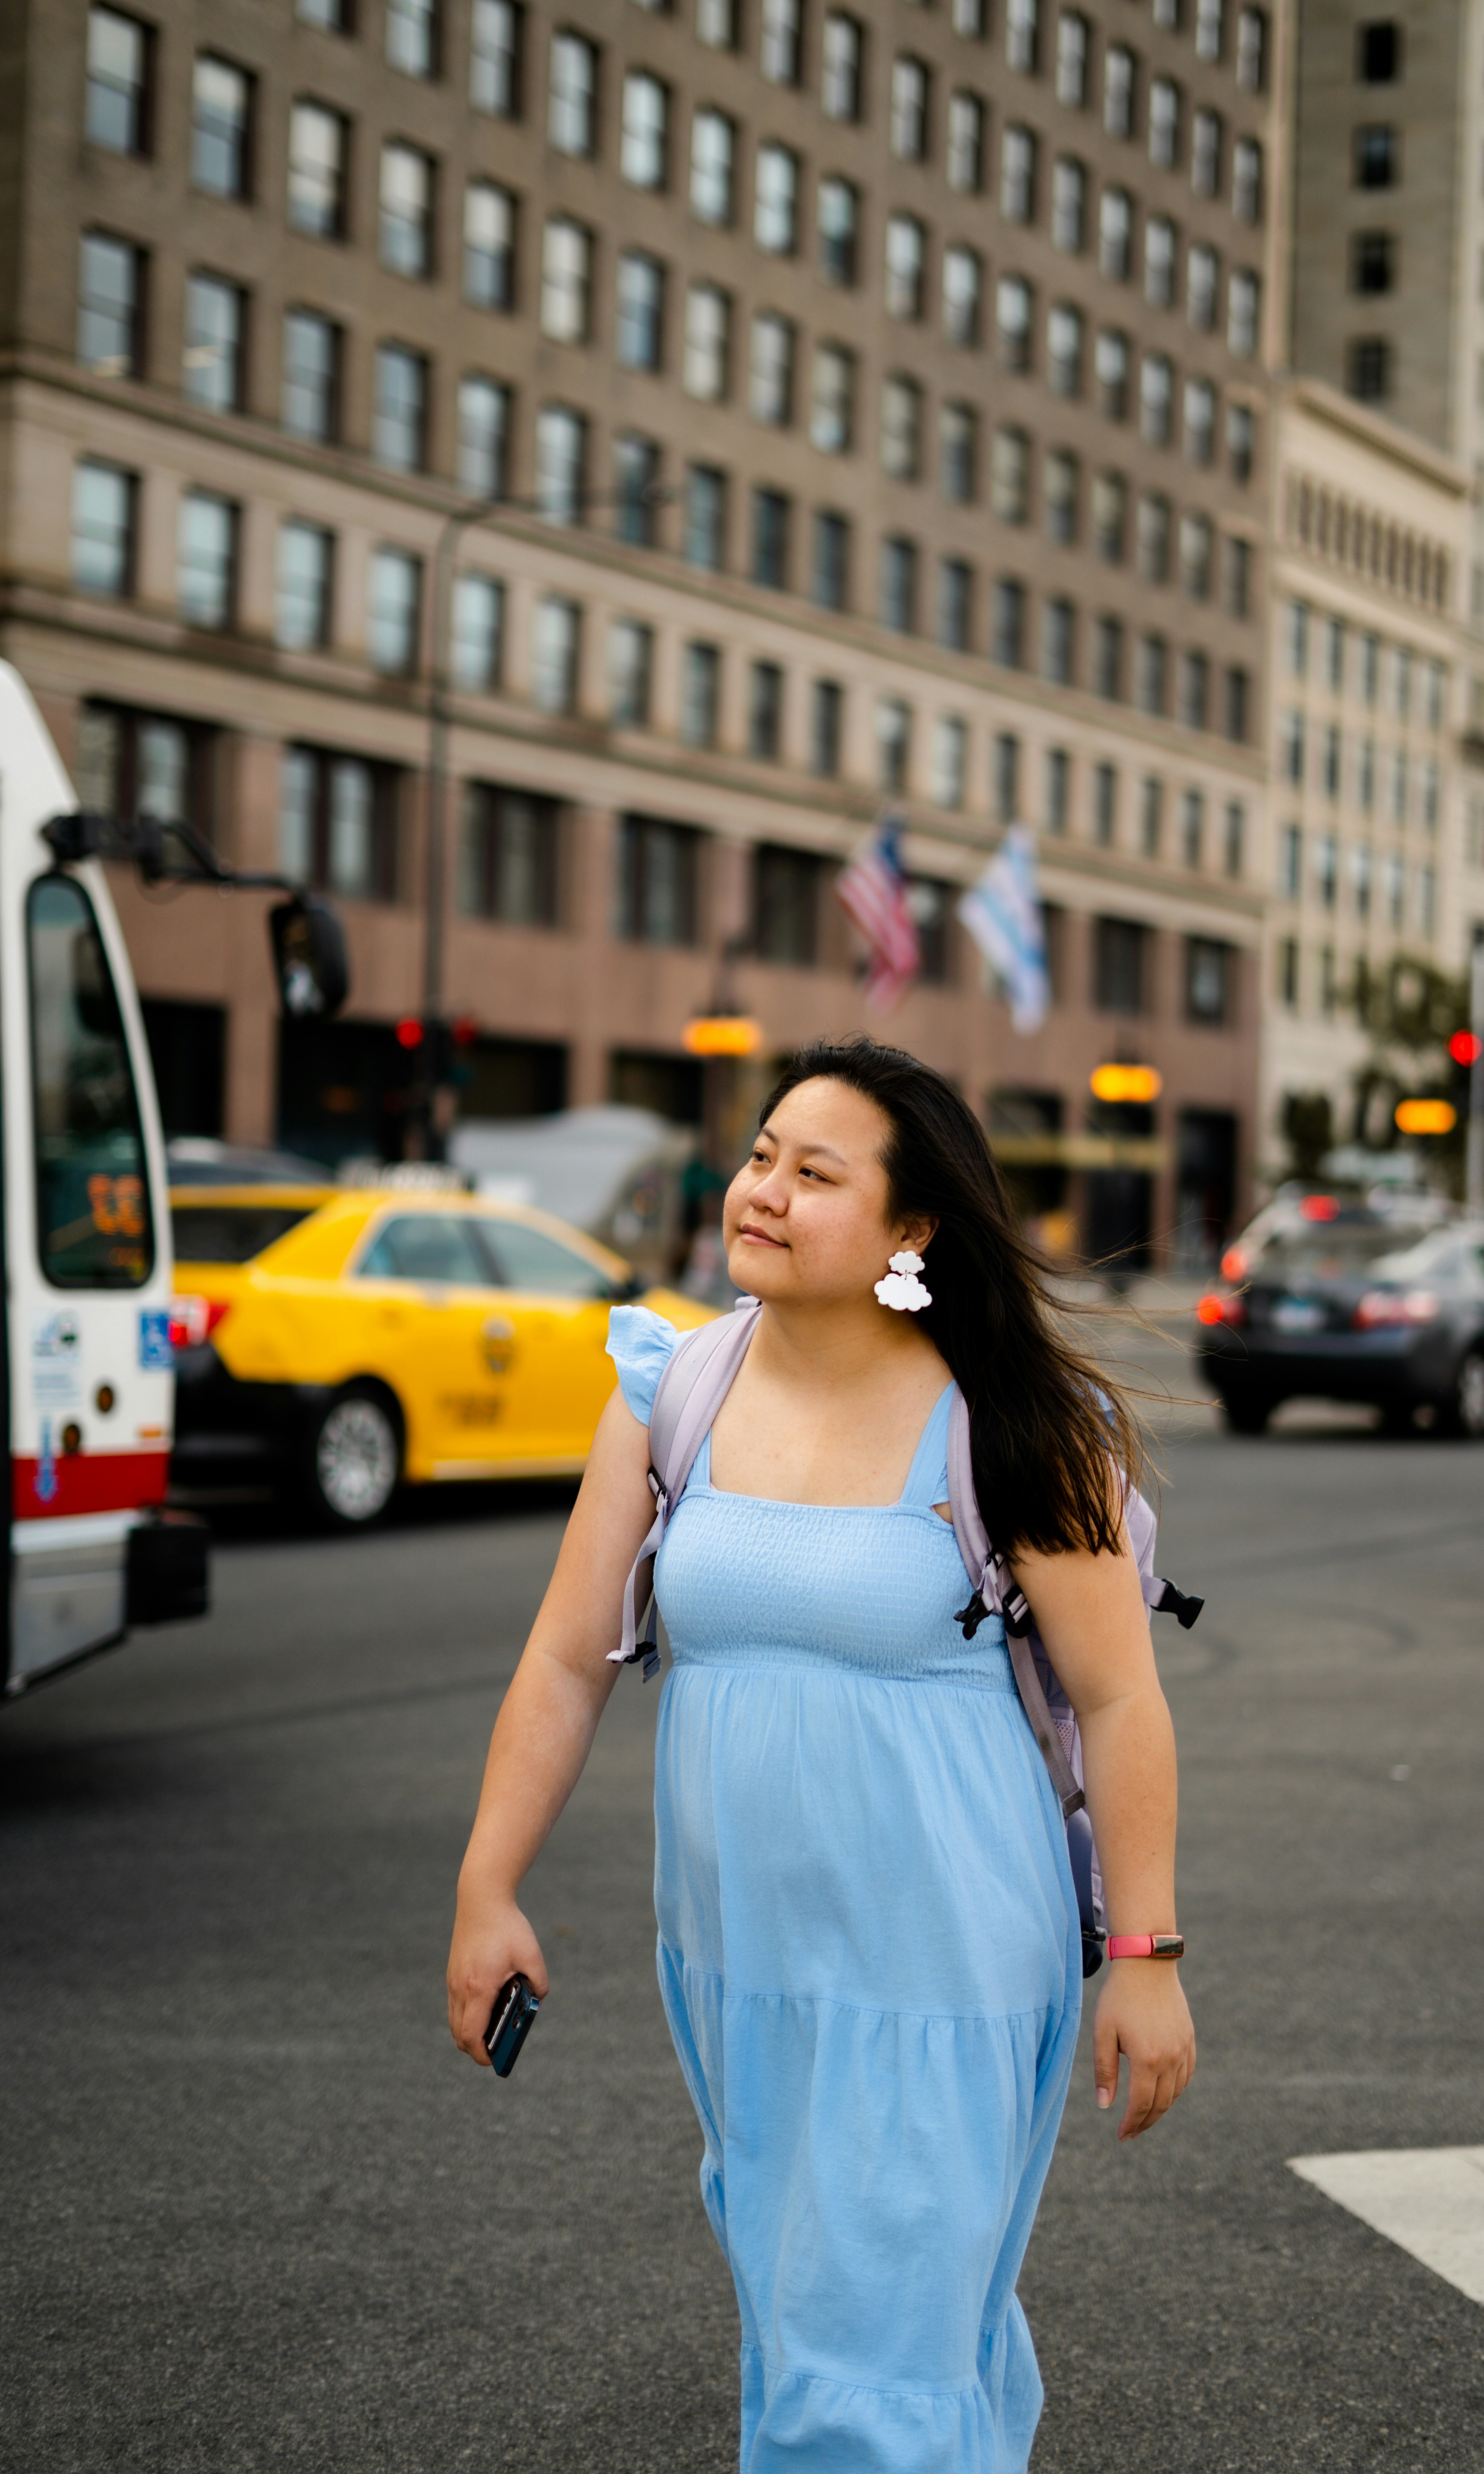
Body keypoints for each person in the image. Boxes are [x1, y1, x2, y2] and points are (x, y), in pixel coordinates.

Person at [447, 1037, 1195, 2470]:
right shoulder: (673, 1392)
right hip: (743, 1968)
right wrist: (491, 1887)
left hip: (947, 1969)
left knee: (863, 2357)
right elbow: (562, 1660)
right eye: (760, 1156)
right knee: (843, 2324)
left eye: (816, 1172)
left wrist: (1148, 1959)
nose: (765, 1191)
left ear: (911, 1232)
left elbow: (1120, 1698)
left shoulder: (1007, 1427)